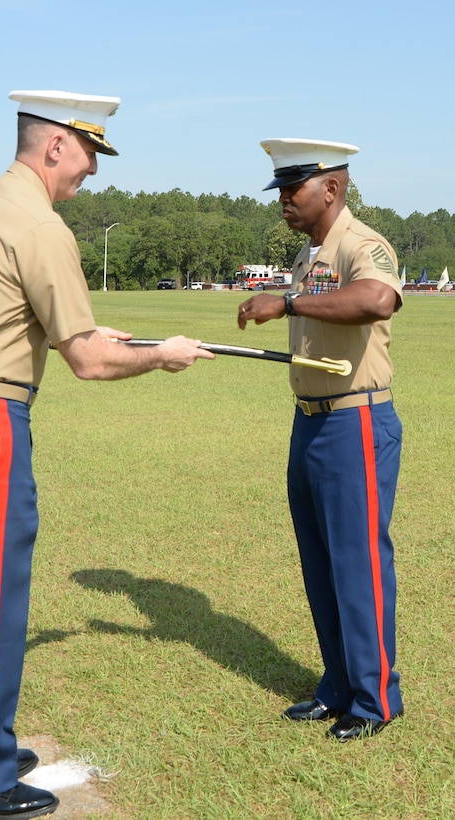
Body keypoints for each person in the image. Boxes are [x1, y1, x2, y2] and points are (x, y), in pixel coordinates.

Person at [0, 89, 214, 819]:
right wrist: (161, 355)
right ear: (55, 147)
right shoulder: (40, 226)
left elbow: (19, 315)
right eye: (89, 155)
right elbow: (89, 362)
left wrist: (113, 337)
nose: (92, 173)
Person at [238, 138, 404, 742]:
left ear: (331, 189)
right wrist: (294, 294)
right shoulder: (311, 254)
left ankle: (376, 698)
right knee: (320, 562)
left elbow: (378, 298)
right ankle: (338, 683)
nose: (283, 199)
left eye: (293, 188)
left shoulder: (363, 245)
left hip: (353, 422)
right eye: (281, 189)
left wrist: (286, 302)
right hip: (309, 419)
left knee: (357, 563)